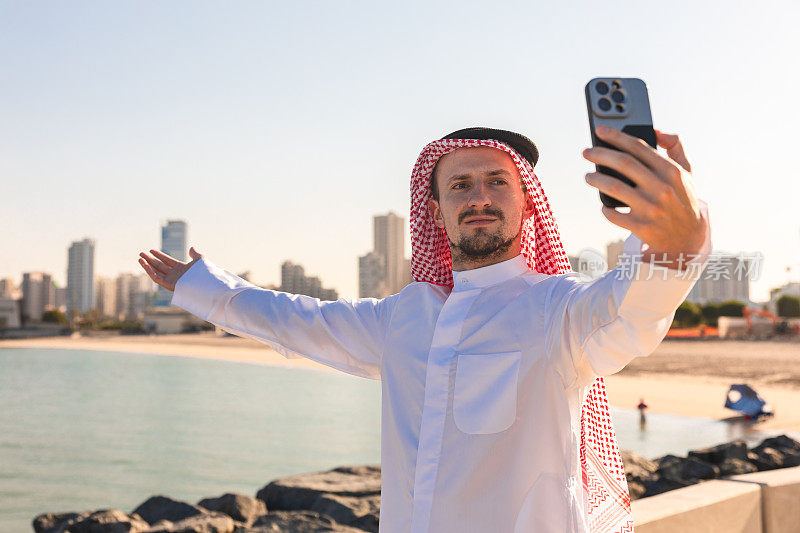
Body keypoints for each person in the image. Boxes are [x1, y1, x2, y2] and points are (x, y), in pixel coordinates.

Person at [138, 125, 710, 532]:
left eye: (496, 182)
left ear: (528, 205)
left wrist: (676, 236)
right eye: (460, 186)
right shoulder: (404, 317)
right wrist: (205, 288)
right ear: (434, 210)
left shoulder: (559, 312)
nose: (479, 198)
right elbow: (296, 320)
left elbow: (634, 308)